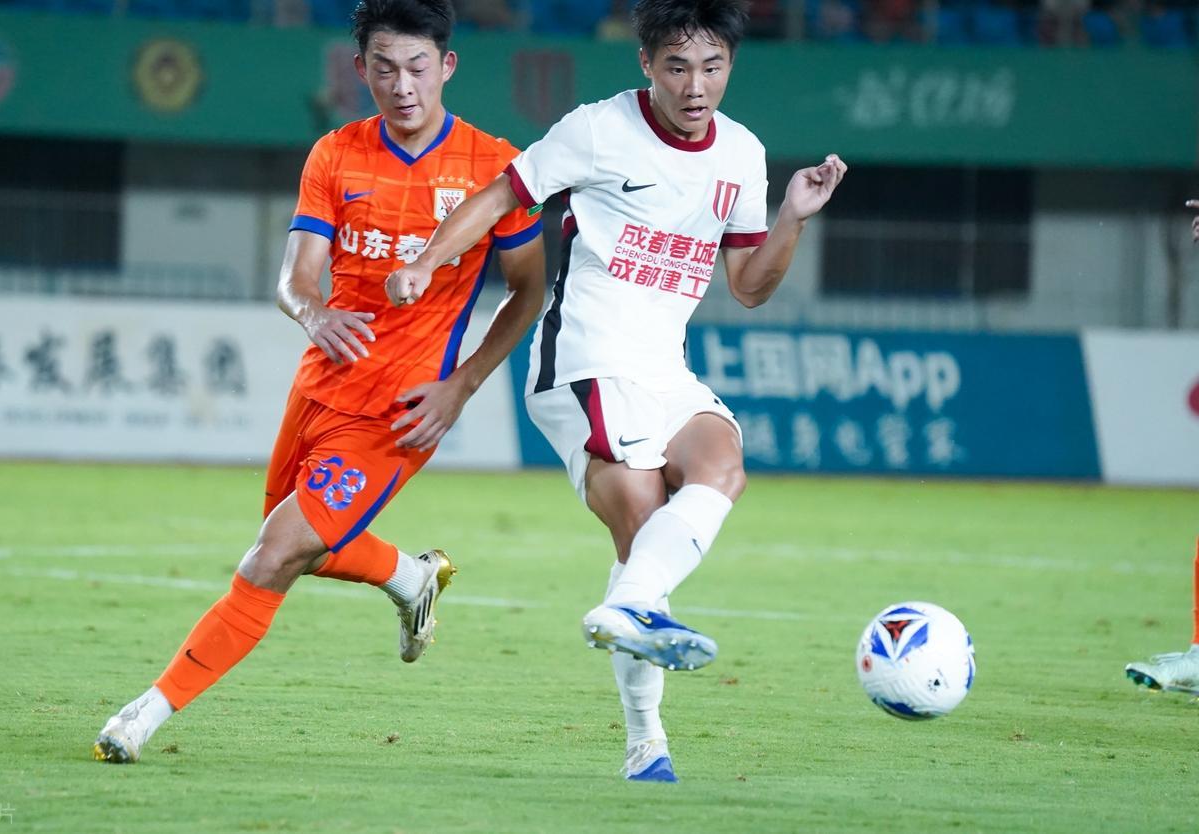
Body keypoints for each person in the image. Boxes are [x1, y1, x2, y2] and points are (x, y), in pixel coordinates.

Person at [386, 0, 846, 781]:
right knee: (640, 518)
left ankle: (639, 714)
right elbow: (498, 198)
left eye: (712, 67)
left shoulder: (741, 153)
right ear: (646, 63)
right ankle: (647, 733)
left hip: (664, 367)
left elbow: (749, 286)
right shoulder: (598, 130)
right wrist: (427, 262)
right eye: (677, 66)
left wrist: (794, 219)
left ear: (731, 65)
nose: (695, 86)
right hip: (583, 359)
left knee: (720, 467)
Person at [92, 0, 545, 764]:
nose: (402, 85)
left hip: (402, 407)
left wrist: (462, 386)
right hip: (321, 387)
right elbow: (295, 278)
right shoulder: (336, 154)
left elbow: (528, 291)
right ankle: (409, 577)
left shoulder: (493, 167)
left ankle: (144, 715)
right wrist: (313, 312)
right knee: (297, 547)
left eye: (417, 67)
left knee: (272, 555)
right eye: (384, 68)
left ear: (447, 65)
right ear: (360, 69)